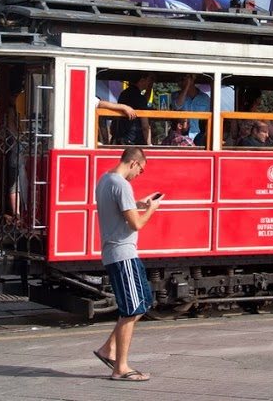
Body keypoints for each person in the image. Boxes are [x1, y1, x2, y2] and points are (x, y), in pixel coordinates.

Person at [92, 147, 160, 382]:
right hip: (122, 253)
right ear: (133, 163)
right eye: (141, 170)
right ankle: (120, 367)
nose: (139, 174)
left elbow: (119, 212)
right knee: (132, 309)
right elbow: (136, 224)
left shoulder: (105, 180)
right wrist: (151, 210)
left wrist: (139, 204)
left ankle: (108, 349)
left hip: (119, 253)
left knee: (142, 302)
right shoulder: (121, 185)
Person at [111, 73, 154, 146]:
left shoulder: (124, 94)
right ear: (142, 80)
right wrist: (149, 144)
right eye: (149, 80)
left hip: (121, 137)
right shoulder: (140, 98)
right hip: (134, 140)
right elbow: (145, 126)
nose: (150, 83)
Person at [171, 74, 210, 141]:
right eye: (178, 80)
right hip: (181, 137)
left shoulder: (205, 98)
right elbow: (177, 106)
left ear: (193, 79)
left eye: (182, 79)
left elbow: (208, 121)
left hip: (199, 137)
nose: (179, 83)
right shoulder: (176, 95)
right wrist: (187, 87)